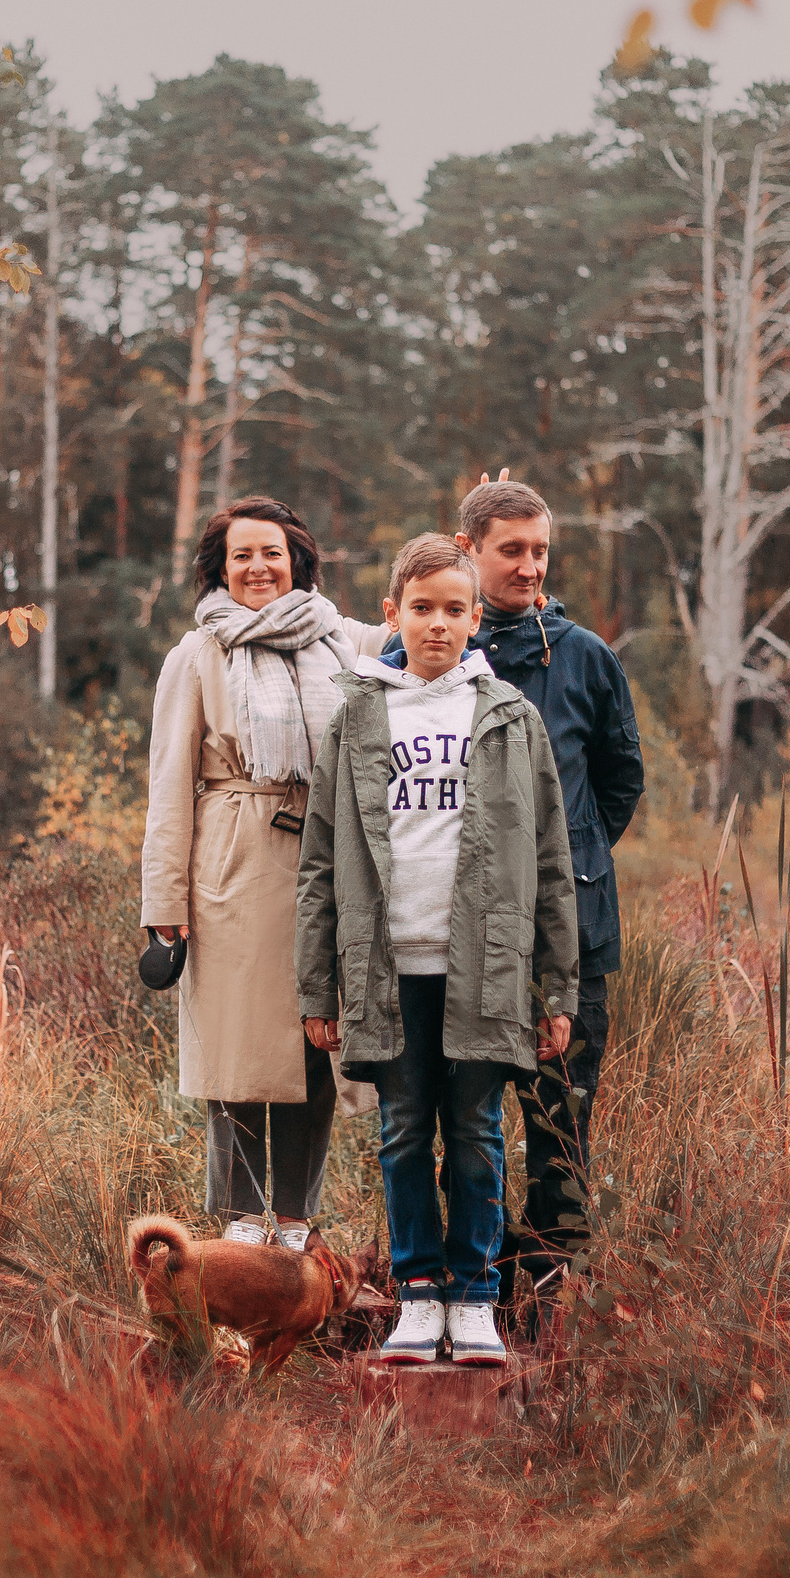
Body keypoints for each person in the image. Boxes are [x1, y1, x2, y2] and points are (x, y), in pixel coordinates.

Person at [298, 533, 578, 1366]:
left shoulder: (510, 717)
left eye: (455, 609)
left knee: (479, 1133)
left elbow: (551, 859)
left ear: (475, 619)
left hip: (485, 968)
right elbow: (320, 862)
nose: (438, 624)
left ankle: (476, 1295)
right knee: (403, 1133)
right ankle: (419, 1293)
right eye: (421, 608)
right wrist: (318, 987)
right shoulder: (358, 716)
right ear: (393, 614)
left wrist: (557, 988)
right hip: (388, 969)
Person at [142, 496, 386, 1250]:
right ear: (220, 568)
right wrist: (164, 903)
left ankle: (296, 1218)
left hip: (327, 861)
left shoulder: (345, 641)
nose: (257, 567)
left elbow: (426, 615)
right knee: (238, 1048)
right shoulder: (196, 655)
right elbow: (168, 783)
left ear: (297, 560)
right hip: (233, 866)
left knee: (318, 1038)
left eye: (271, 552)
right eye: (241, 555)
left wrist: (465, 547)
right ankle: (244, 1218)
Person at [452, 478, 645, 1288]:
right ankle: (473, 1285)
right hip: (459, 932)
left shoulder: (587, 655)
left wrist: (569, 861)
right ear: (468, 551)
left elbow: (621, 778)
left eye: (540, 550)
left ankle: (550, 1294)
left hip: (575, 933)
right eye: (512, 550)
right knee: (463, 1123)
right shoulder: (433, 648)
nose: (531, 567)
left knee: (562, 1123)